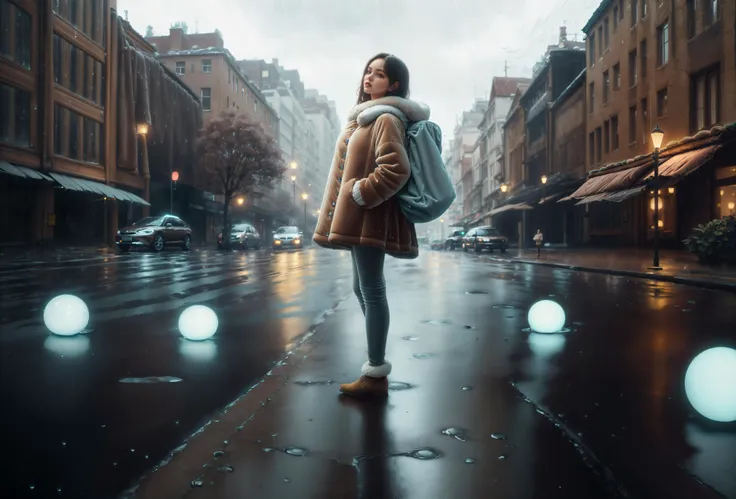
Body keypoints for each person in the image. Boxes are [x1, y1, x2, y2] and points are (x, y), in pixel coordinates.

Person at [313, 52, 430, 397]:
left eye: (378, 75)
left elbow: (396, 169)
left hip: (369, 215)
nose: (369, 78)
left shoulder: (385, 119)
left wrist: (361, 193)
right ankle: (375, 356)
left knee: (372, 289)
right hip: (359, 216)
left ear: (393, 84)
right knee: (361, 289)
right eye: (368, 71)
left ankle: (375, 372)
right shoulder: (363, 118)